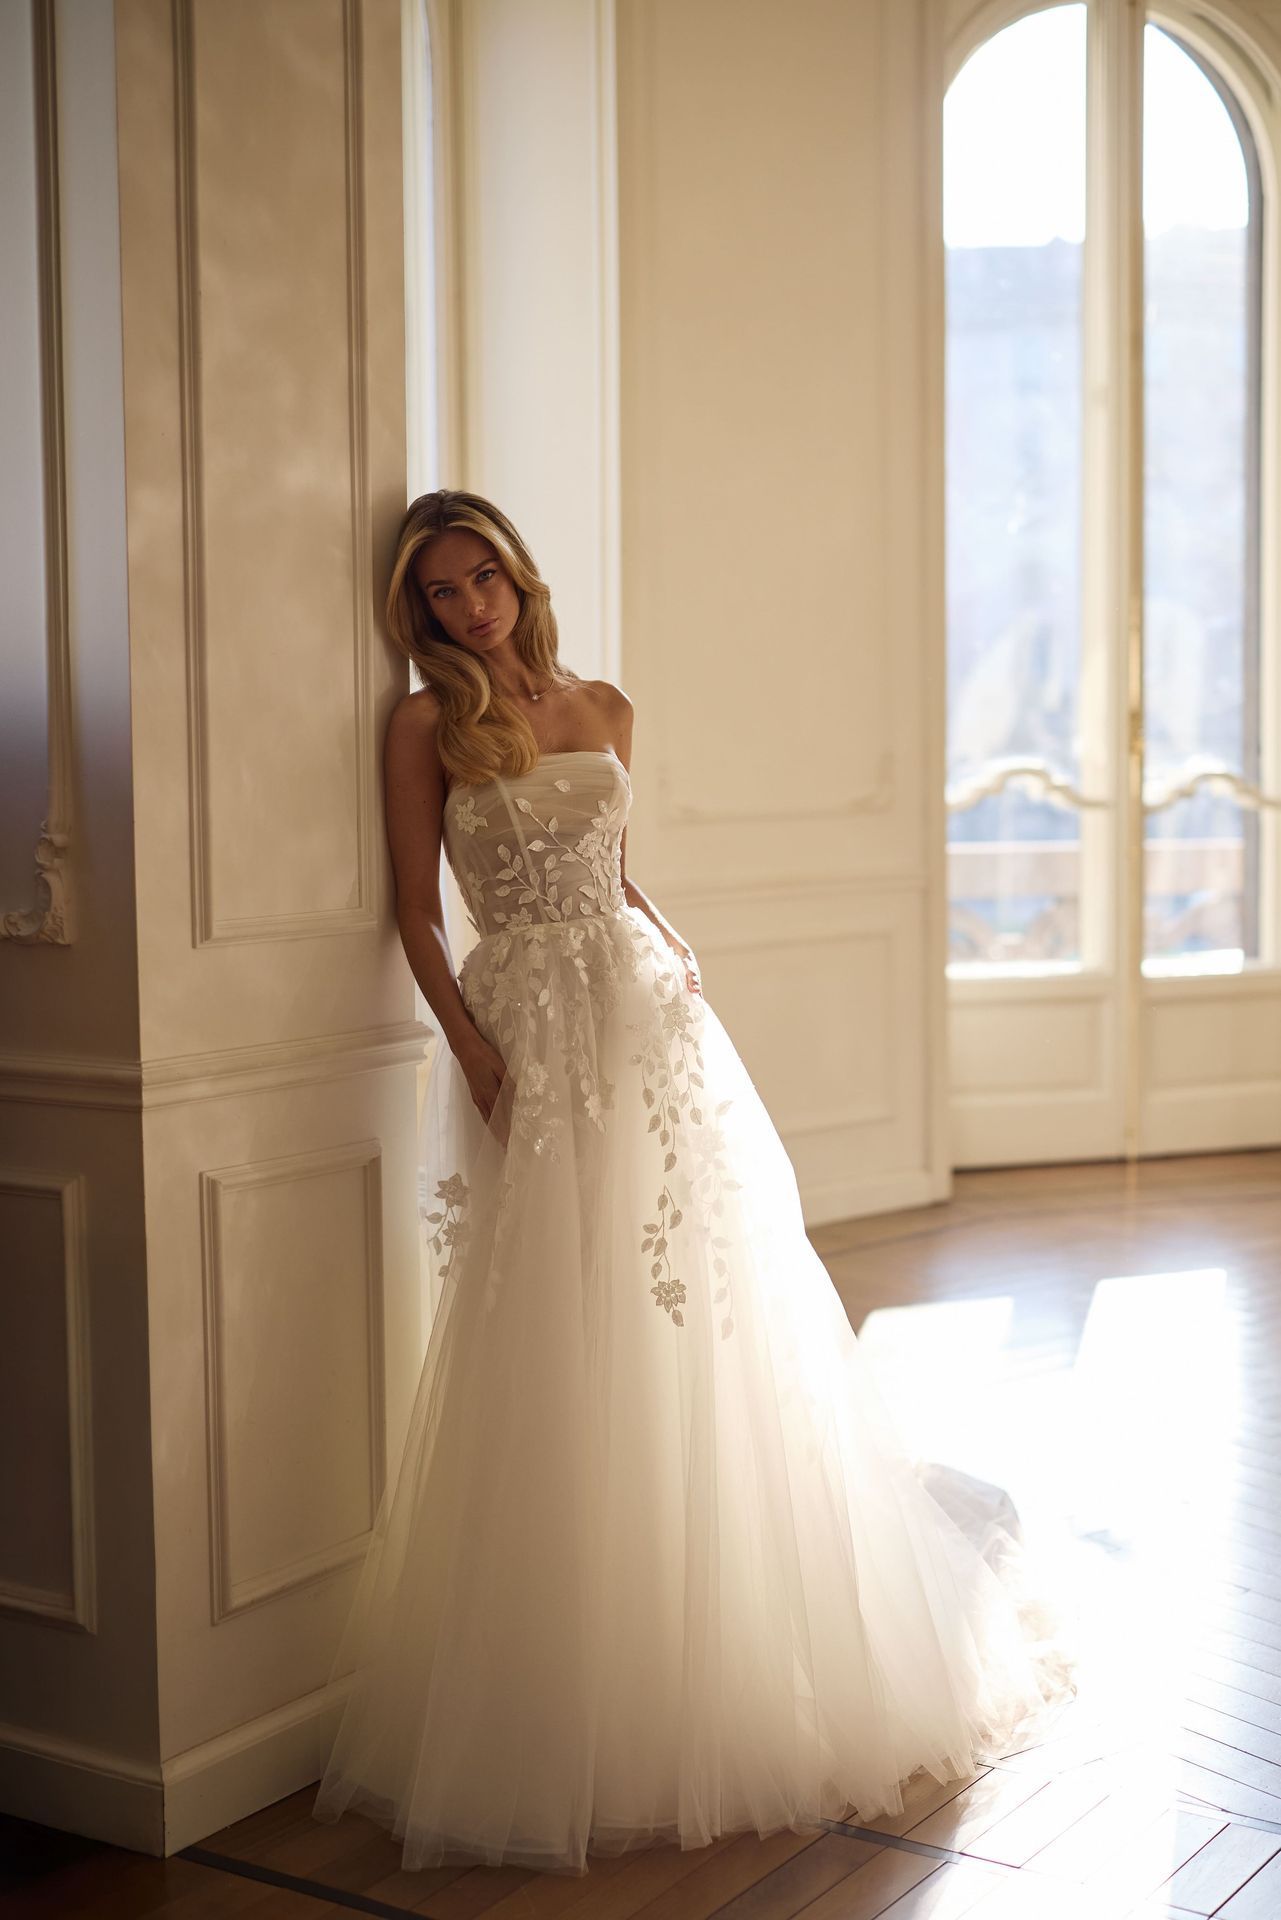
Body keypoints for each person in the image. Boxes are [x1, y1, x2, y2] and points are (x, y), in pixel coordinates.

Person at [311, 488, 1079, 1876]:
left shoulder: (603, 705)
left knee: (699, 1299)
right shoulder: (425, 724)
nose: (468, 605)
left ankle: (721, 1624)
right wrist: (471, 1047)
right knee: (552, 1312)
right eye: (439, 593)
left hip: (651, 1025)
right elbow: (415, 908)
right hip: (529, 1034)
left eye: (481, 578)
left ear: (518, 578)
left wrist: (675, 948)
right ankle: (585, 1653)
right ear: (417, 616)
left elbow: (618, 867)